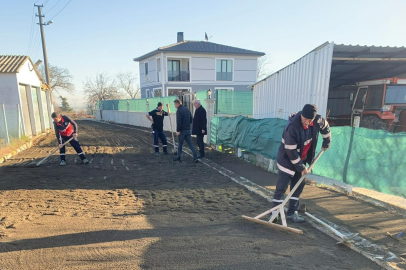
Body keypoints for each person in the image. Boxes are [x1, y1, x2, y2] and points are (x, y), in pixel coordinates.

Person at [272, 104, 331, 223]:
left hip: (302, 158)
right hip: (287, 159)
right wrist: (301, 167)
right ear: (301, 116)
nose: (306, 122)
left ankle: (292, 213)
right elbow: (290, 150)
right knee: (282, 187)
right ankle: (275, 213)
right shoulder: (292, 127)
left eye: (309, 120)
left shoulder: (318, 121)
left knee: (298, 186)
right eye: (305, 119)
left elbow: (326, 127)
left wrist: (326, 142)